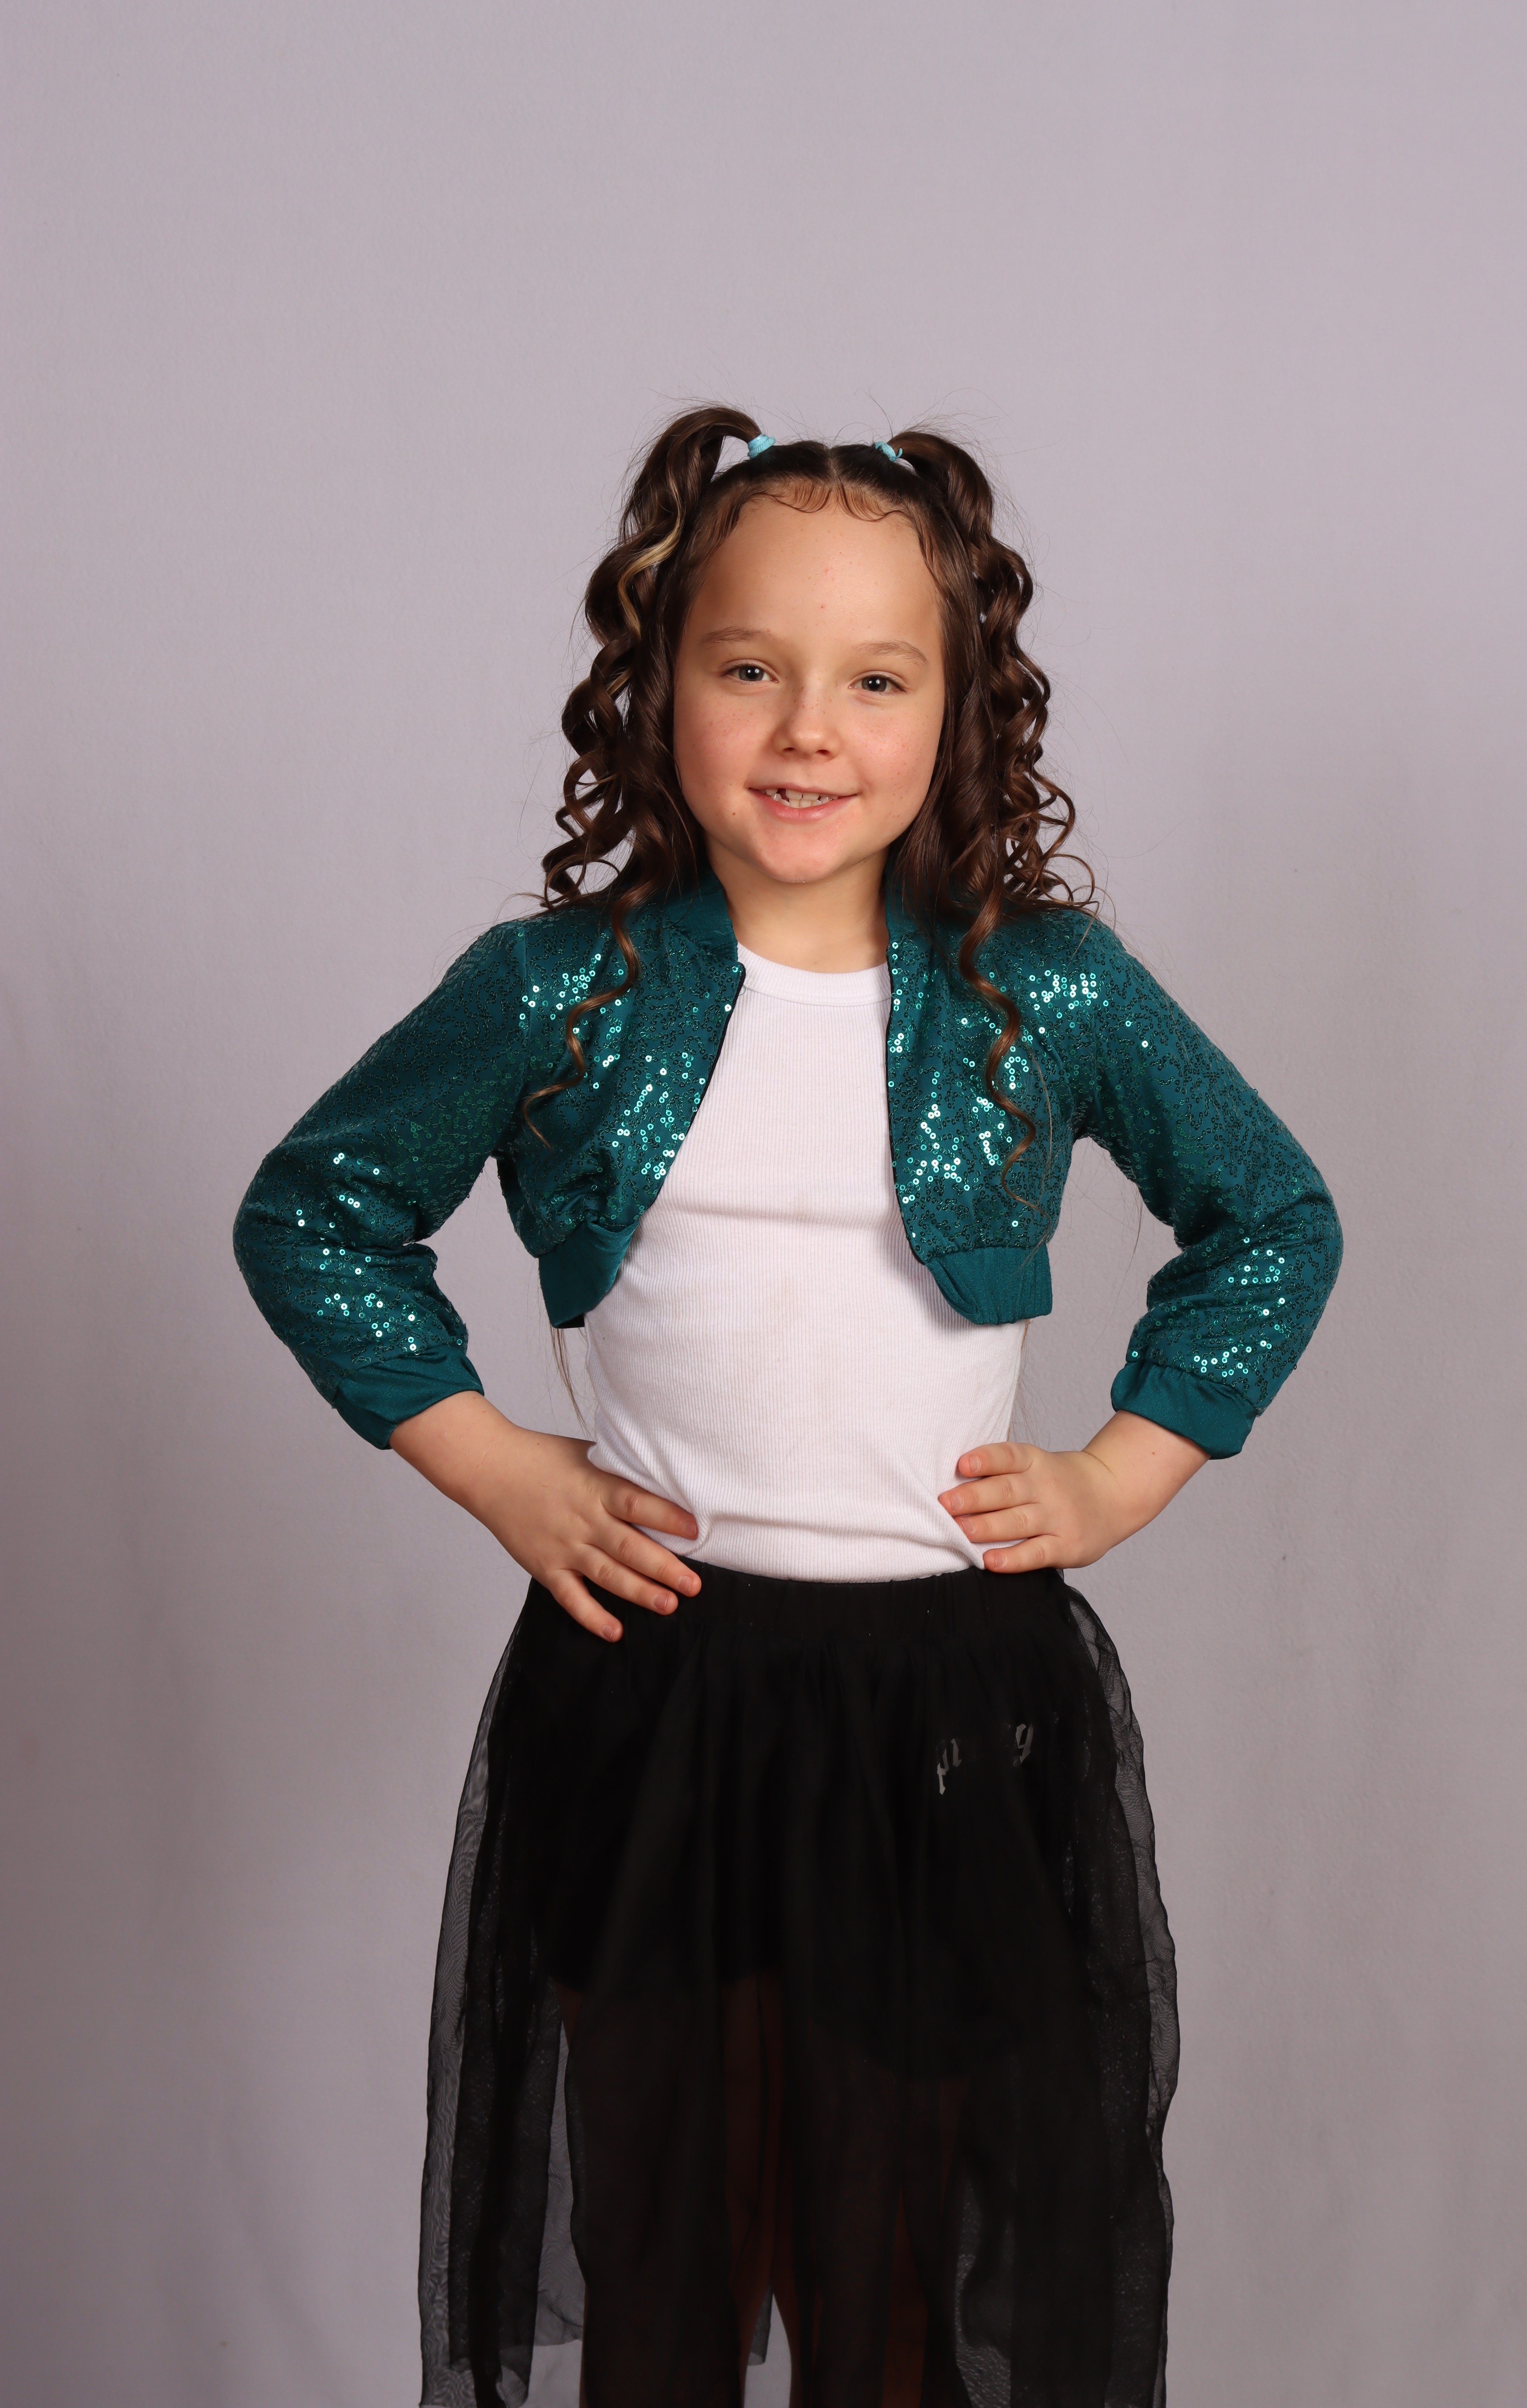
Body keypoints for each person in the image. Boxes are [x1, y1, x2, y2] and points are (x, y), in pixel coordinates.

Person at [234, 409, 1341, 2408]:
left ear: (959, 710)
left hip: (950, 1712)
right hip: (655, 1690)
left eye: (875, 680)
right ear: (656, 681)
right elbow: (316, 1209)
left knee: (898, 2275)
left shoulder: (1040, 988)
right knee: (666, 2251)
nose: (807, 729)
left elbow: (1269, 1217)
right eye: (749, 666)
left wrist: (1119, 1473)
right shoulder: (558, 988)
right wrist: (490, 1464)